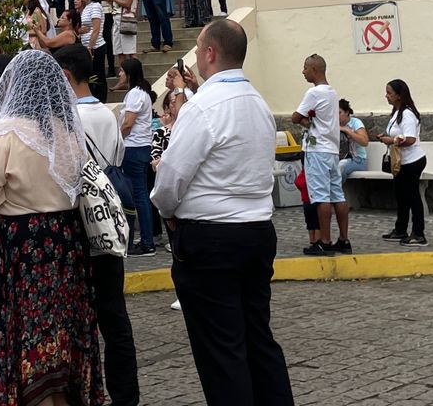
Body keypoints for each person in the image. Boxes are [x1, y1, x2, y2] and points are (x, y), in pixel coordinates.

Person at [151, 20, 293, 406]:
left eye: (198, 48)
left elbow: (171, 179)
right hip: (256, 230)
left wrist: (167, 211)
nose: (196, 56)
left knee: (222, 351)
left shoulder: (202, 107)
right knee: (258, 340)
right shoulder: (258, 103)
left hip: (211, 238)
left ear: (211, 53)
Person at [0, 49, 101, 406]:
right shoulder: (68, 132)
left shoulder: (5, 134)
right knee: (60, 330)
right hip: (65, 241)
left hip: (19, 246)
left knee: (22, 333)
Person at [55, 45, 139, 406]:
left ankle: (83, 391)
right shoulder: (107, 113)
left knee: (78, 317)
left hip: (79, 224)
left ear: (65, 75)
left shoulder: (66, 119)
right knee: (115, 315)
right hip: (108, 223)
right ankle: (126, 394)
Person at [290, 53, 347, 255]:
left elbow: (295, 117)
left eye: (305, 68)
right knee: (337, 195)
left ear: (314, 70)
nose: (303, 72)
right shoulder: (332, 92)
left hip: (317, 150)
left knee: (321, 196)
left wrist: (305, 121)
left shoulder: (313, 93)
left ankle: (325, 241)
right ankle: (344, 239)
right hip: (331, 149)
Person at [114, 57, 157, 257]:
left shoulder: (135, 94)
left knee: (138, 196)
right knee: (141, 194)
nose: (119, 74)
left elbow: (128, 123)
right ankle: (147, 239)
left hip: (133, 148)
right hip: (141, 148)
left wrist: (117, 140)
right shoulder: (141, 93)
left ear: (129, 73)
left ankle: (147, 242)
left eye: (122, 71)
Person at [379, 79, 426, 245]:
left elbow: (411, 139)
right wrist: (387, 137)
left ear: (399, 95)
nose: (386, 96)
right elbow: (398, 134)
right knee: (401, 197)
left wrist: (391, 141)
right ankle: (400, 229)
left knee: (413, 197)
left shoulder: (407, 114)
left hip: (412, 161)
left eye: (389, 93)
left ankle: (419, 233)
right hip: (401, 162)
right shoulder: (397, 112)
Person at [338, 100, 369, 183]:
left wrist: (348, 131)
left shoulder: (355, 122)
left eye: (339, 113)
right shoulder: (334, 125)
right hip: (339, 158)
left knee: (340, 166)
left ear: (347, 112)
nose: (336, 116)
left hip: (358, 160)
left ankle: (335, 190)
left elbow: (365, 142)